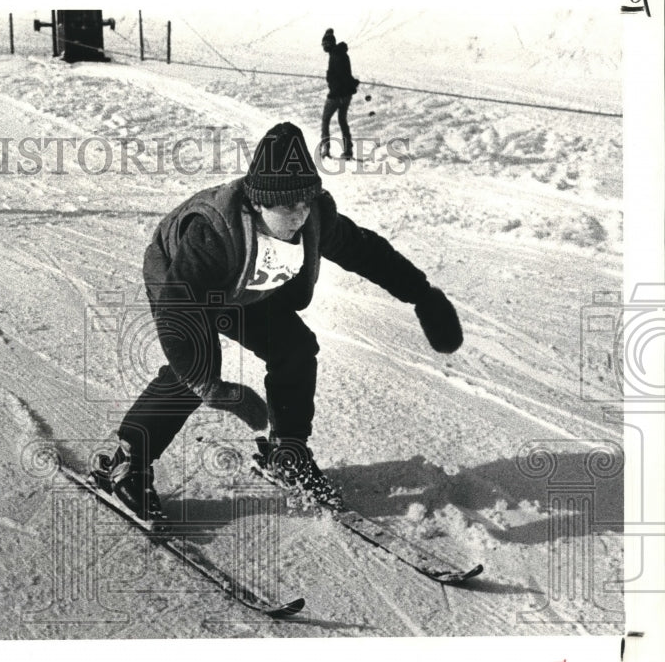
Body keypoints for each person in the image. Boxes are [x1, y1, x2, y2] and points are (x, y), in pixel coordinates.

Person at [102, 122, 463, 520]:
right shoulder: (211, 233)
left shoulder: (312, 219)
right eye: (288, 206)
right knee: (196, 366)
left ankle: (287, 452)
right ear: (258, 203)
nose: (299, 214)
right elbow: (179, 310)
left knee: (294, 347)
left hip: (249, 287)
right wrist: (211, 385)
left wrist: (422, 295)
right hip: (183, 282)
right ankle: (126, 460)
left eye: (305, 202)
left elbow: (365, 251)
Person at [319, 28, 360, 160]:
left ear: (330, 44)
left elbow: (340, 77)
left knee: (325, 120)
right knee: (342, 120)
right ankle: (348, 151)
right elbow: (346, 75)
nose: (324, 47)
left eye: (325, 44)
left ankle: (326, 149)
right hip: (346, 95)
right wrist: (353, 83)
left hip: (337, 95)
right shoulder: (341, 53)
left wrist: (334, 90)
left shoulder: (335, 56)